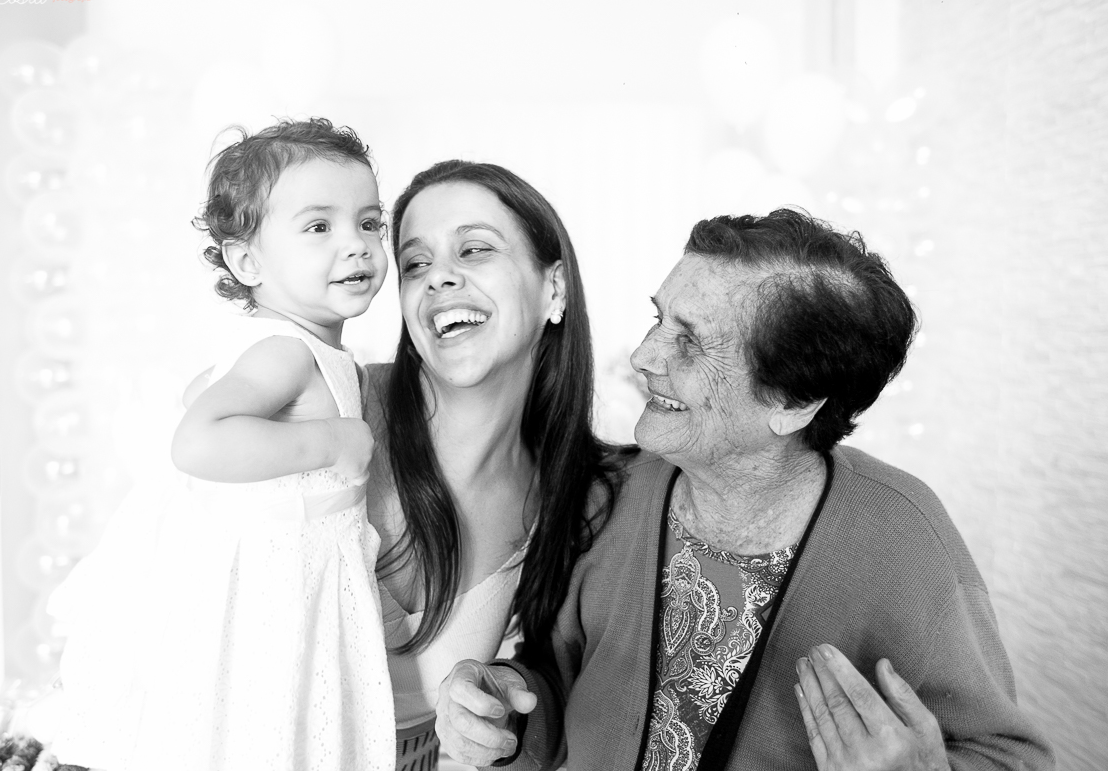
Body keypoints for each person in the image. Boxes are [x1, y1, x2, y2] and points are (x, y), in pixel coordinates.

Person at [434, 209, 1055, 771]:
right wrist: (501, 711)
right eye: (658, 319)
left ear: (793, 402)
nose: (645, 356)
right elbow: (554, 678)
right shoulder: (608, 493)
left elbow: (1012, 758)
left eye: (691, 342)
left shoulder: (902, 532)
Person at [48, 118, 396, 771]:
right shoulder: (284, 353)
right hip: (274, 604)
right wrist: (327, 440)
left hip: (305, 587)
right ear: (246, 261)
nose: (356, 245)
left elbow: (198, 397)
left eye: (370, 223)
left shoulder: (314, 351)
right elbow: (197, 441)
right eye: (319, 227)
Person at [365, 160, 631, 770]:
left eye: (475, 249)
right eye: (415, 264)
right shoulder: (336, 412)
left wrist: (491, 707)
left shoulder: (573, 499)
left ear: (554, 289)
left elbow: (547, 691)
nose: (438, 280)